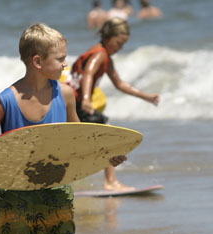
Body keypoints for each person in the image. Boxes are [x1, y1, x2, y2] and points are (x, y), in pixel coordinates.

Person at [0, 23, 126, 234]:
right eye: (60, 58)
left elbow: (80, 137)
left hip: (55, 186)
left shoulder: (64, 94)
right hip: (15, 189)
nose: (66, 64)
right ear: (38, 61)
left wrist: (106, 155)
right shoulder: (6, 99)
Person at [65, 17, 160, 191]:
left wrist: (146, 96)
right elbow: (88, 73)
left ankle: (77, 180)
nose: (120, 48)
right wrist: (86, 98)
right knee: (108, 136)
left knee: (82, 141)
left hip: (71, 103)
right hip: (77, 103)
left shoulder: (104, 56)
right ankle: (110, 182)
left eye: (123, 44)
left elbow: (120, 83)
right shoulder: (100, 54)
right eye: (119, 43)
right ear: (109, 37)